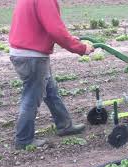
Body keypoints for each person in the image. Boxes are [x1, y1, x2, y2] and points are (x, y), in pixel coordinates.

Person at [9, 0, 94, 150]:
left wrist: (69, 39)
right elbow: (55, 29)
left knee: (50, 90)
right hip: (32, 56)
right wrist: (81, 48)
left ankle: (64, 125)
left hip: (26, 51)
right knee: (32, 96)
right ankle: (23, 139)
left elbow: (40, 26)